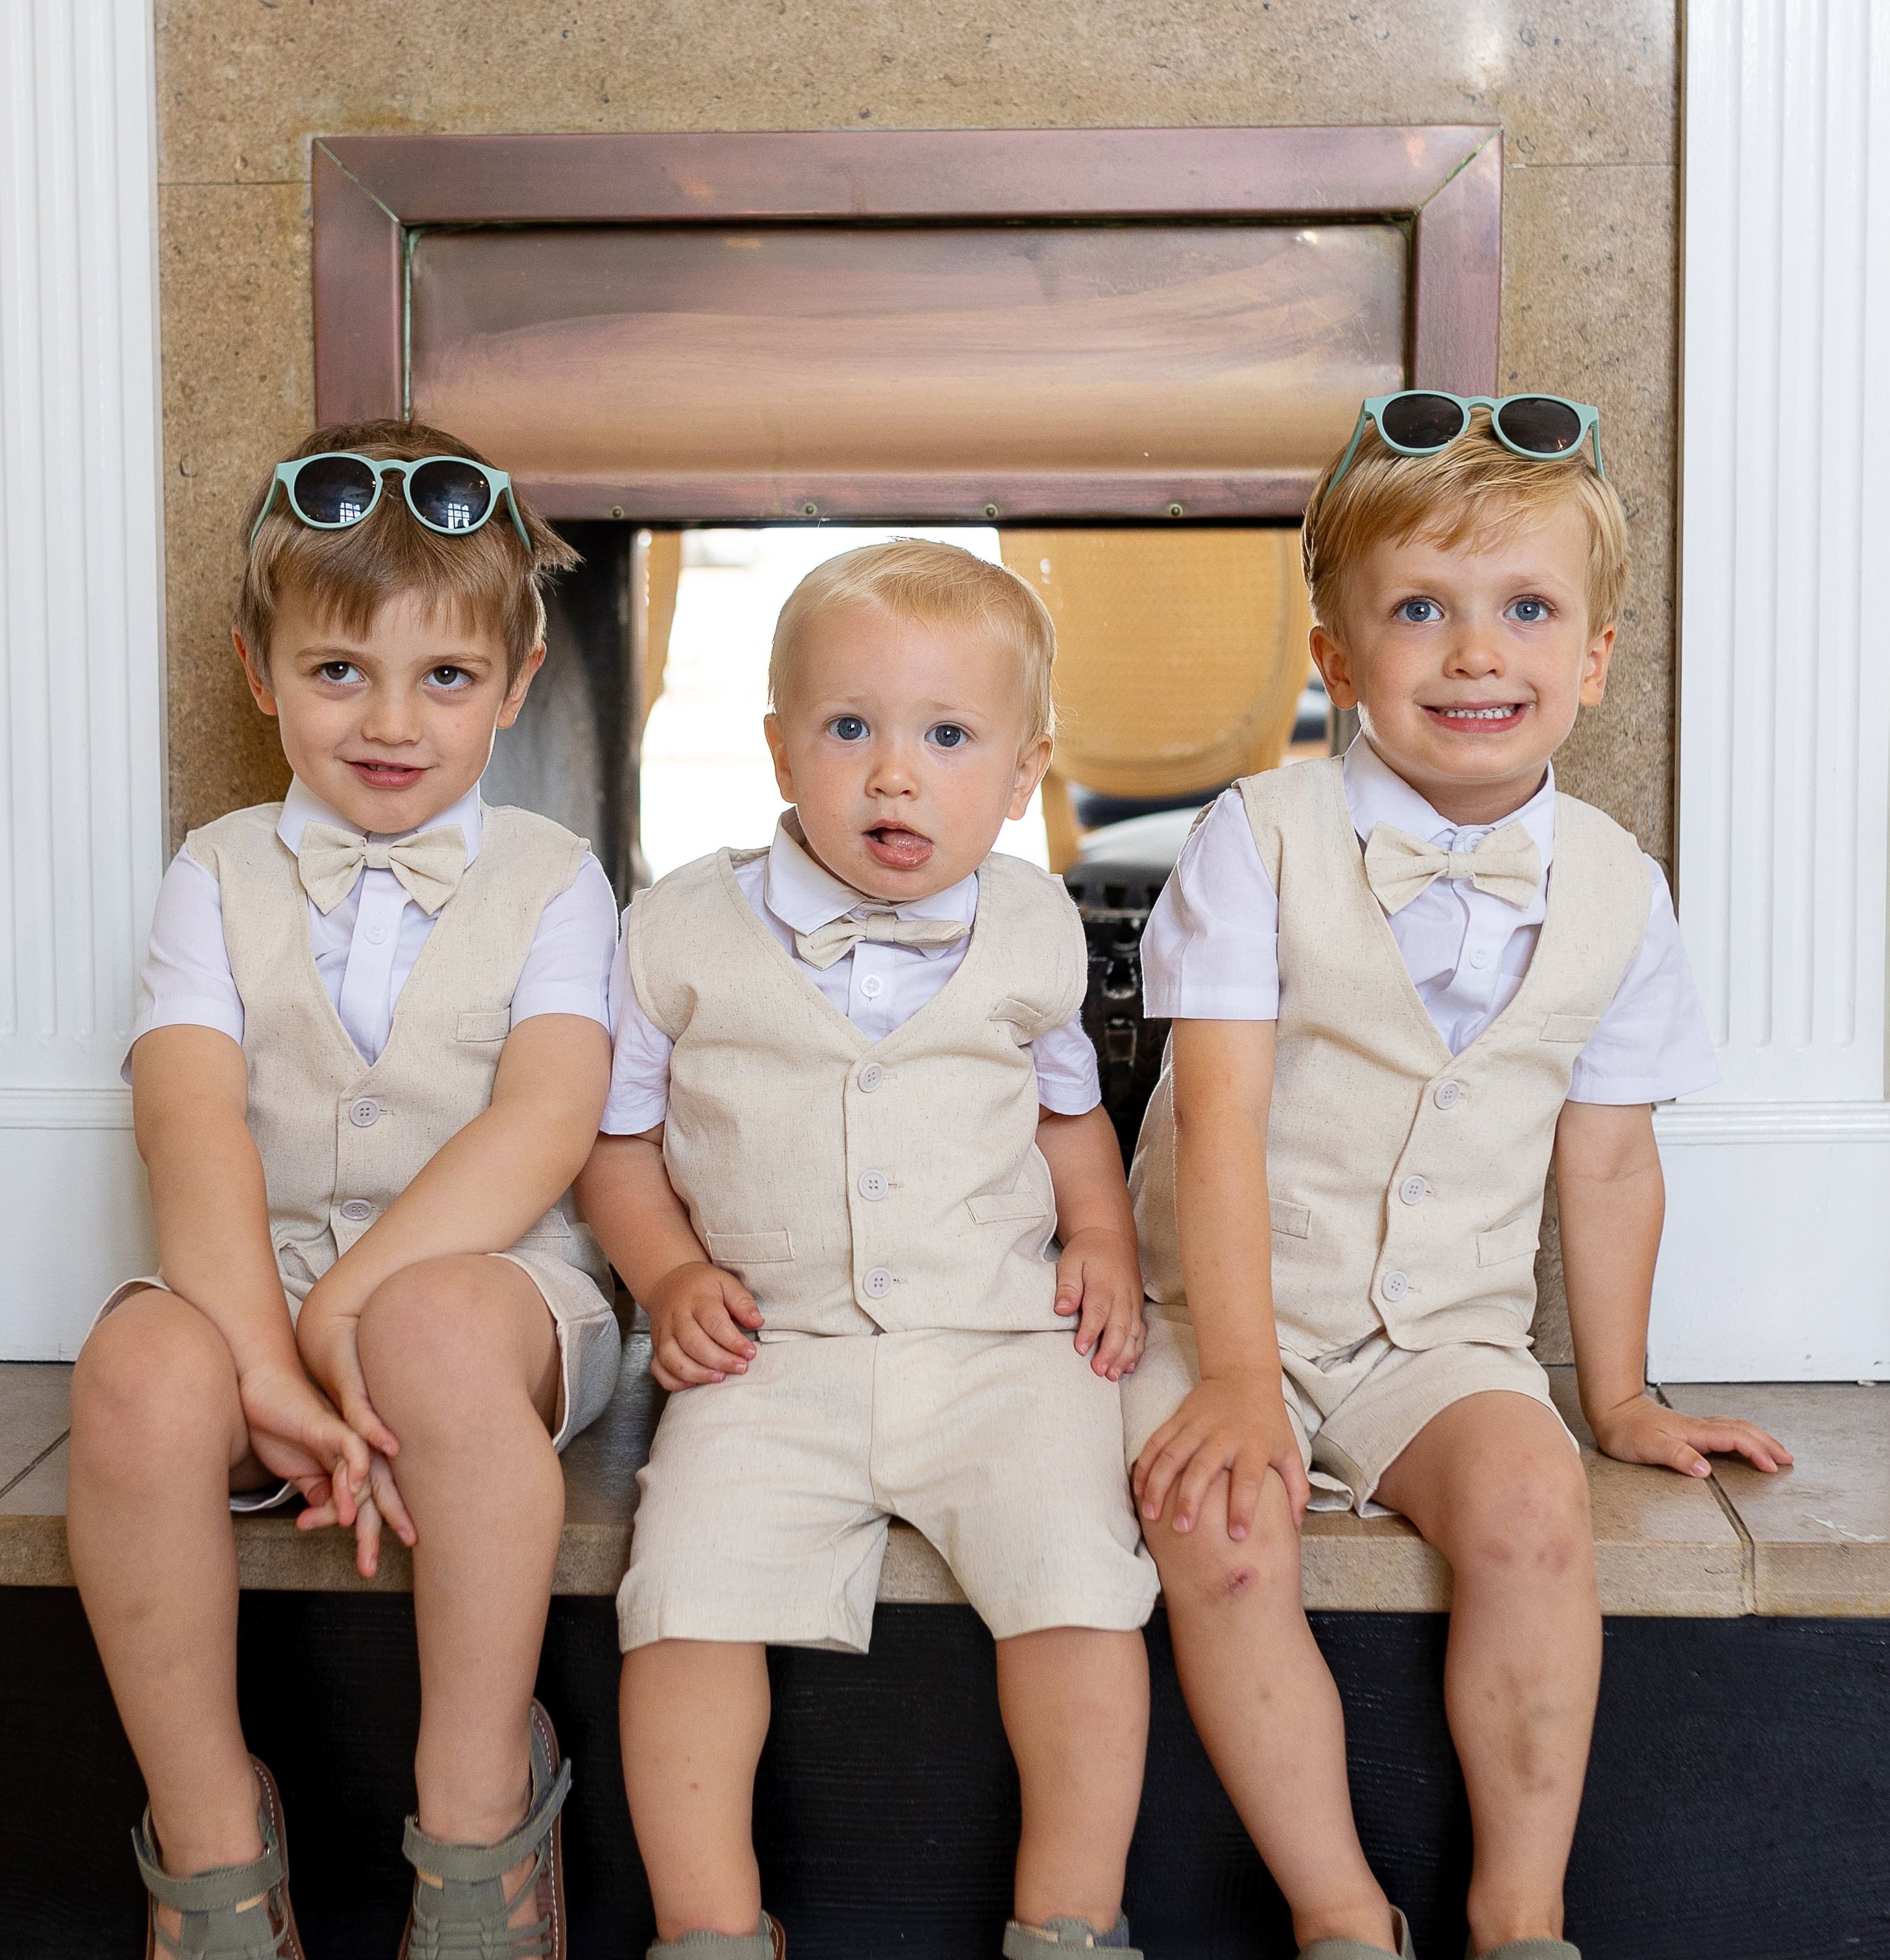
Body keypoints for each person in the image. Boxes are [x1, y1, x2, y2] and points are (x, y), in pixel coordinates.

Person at [1123, 393, 1793, 1960]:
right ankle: (1343, 1914)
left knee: (1533, 1507)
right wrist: (1230, 1376)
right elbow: (1212, 1118)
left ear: (1597, 657)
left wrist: (1614, 1393)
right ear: (1336, 661)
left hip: (1445, 1335)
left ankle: (1520, 1911)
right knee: (1220, 1531)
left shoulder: (1622, 887)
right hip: (1216, 1311)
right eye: (1418, 610)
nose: (1476, 652)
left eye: (1526, 610)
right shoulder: (1255, 838)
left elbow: (1610, 1155)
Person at [68, 420, 621, 1960]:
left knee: (433, 1334)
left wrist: (354, 1316)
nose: (390, 720)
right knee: (130, 1374)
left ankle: (472, 1818)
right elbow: (189, 1127)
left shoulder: (555, 875)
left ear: (514, 686)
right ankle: (212, 1841)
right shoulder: (217, 869)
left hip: (491, 1289)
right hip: (262, 1279)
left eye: (445, 677)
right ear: (261, 671)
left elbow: (547, 1117)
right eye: (337, 672)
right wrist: (257, 1354)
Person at [581, 540, 1160, 1960]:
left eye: (946, 737)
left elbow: (1073, 1116)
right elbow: (616, 1146)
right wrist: (666, 1276)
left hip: (1000, 1347)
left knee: (1083, 1592)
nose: (893, 775)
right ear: (779, 746)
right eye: (850, 729)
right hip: (769, 1360)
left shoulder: (1034, 927)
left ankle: (1069, 1919)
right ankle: (711, 1925)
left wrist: (1102, 1240)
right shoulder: (680, 929)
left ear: (1022, 775)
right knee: (679, 1604)